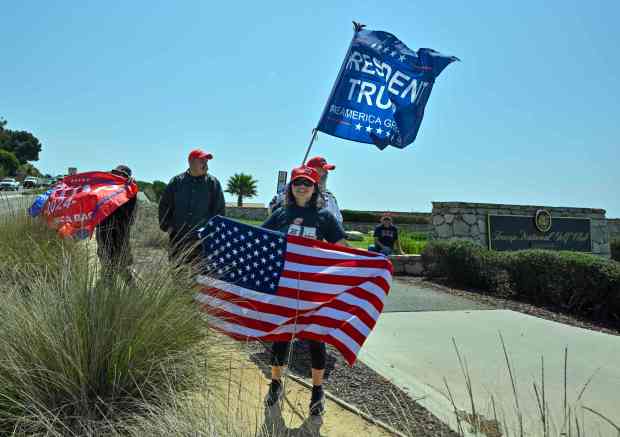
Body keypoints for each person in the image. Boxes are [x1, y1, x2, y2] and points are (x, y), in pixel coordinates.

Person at [261, 165, 347, 416]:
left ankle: (318, 390)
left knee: (314, 338)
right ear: (291, 186)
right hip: (284, 284)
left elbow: (342, 247)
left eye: (307, 183)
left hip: (312, 286)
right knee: (281, 336)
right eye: (298, 182)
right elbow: (260, 237)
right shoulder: (280, 214)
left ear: (315, 188)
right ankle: (276, 383)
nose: (302, 186)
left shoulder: (324, 217)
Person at [158, 149, 225, 265]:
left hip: (201, 240)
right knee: (176, 271)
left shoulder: (213, 183)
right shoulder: (176, 182)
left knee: (198, 277)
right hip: (178, 237)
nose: (206, 165)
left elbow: (219, 211)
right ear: (191, 162)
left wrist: (212, 233)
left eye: (206, 162)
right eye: (202, 161)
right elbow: (164, 206)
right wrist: (167, 227)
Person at [269, 156, 343, 224]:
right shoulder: (287, 193)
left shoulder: (330, 197)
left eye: (326, 171)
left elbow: (338, 222)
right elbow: (273, 213)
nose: (325, 173)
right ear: (309, 171)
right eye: (321, 170)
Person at [96, 165, 138, 283]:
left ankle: (133, 291)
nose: (120, 177)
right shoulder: (104, 188)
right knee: (106, 265)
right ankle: (107, 290)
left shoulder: (130, 191)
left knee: (122, 266)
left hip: (120, 234)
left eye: (123, 175)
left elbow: (131, 217)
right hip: (103, 232)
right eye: (117, 174)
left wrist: (131, 189)